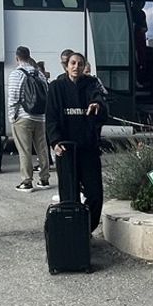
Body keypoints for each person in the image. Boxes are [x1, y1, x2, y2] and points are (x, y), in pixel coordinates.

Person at [45, 52, 109, 230]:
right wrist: (55, 141)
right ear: (66, 66)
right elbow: (50, 118)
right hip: (66, 150)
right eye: (73, 63)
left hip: (88, 148)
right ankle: (73, 233)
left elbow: (100, 100)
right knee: (69, 196)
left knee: (95, 194)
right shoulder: (56, 87)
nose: (76, 67)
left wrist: (97, 105)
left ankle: (87, 229)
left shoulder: (90, 84)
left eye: (80, 64)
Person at [7, 46, 52, 192]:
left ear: (17, 57)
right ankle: (44, 179)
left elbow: (13, 97)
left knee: (24, 150)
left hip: (23, 116)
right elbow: (46, 92)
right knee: (42, 148)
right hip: (40, 117)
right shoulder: (39, 73)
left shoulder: (16, 74)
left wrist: (12, 116)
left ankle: (27, 182)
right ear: (29, 56)